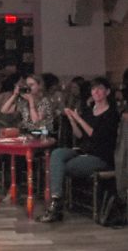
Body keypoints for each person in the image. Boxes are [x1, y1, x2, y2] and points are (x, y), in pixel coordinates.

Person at [37, 77, 119, 223]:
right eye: (94, 89)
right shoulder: (89, 110)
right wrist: (72, 120)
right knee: (57, 153)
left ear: (107, 92)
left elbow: (96, 136)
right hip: (83, 150)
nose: (96, 92)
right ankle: (57, 201)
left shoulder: (111, 114)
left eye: (100, 89)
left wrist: (79, 119)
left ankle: (56, 206)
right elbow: (80, 135)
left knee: (62, 166)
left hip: (100, 156)